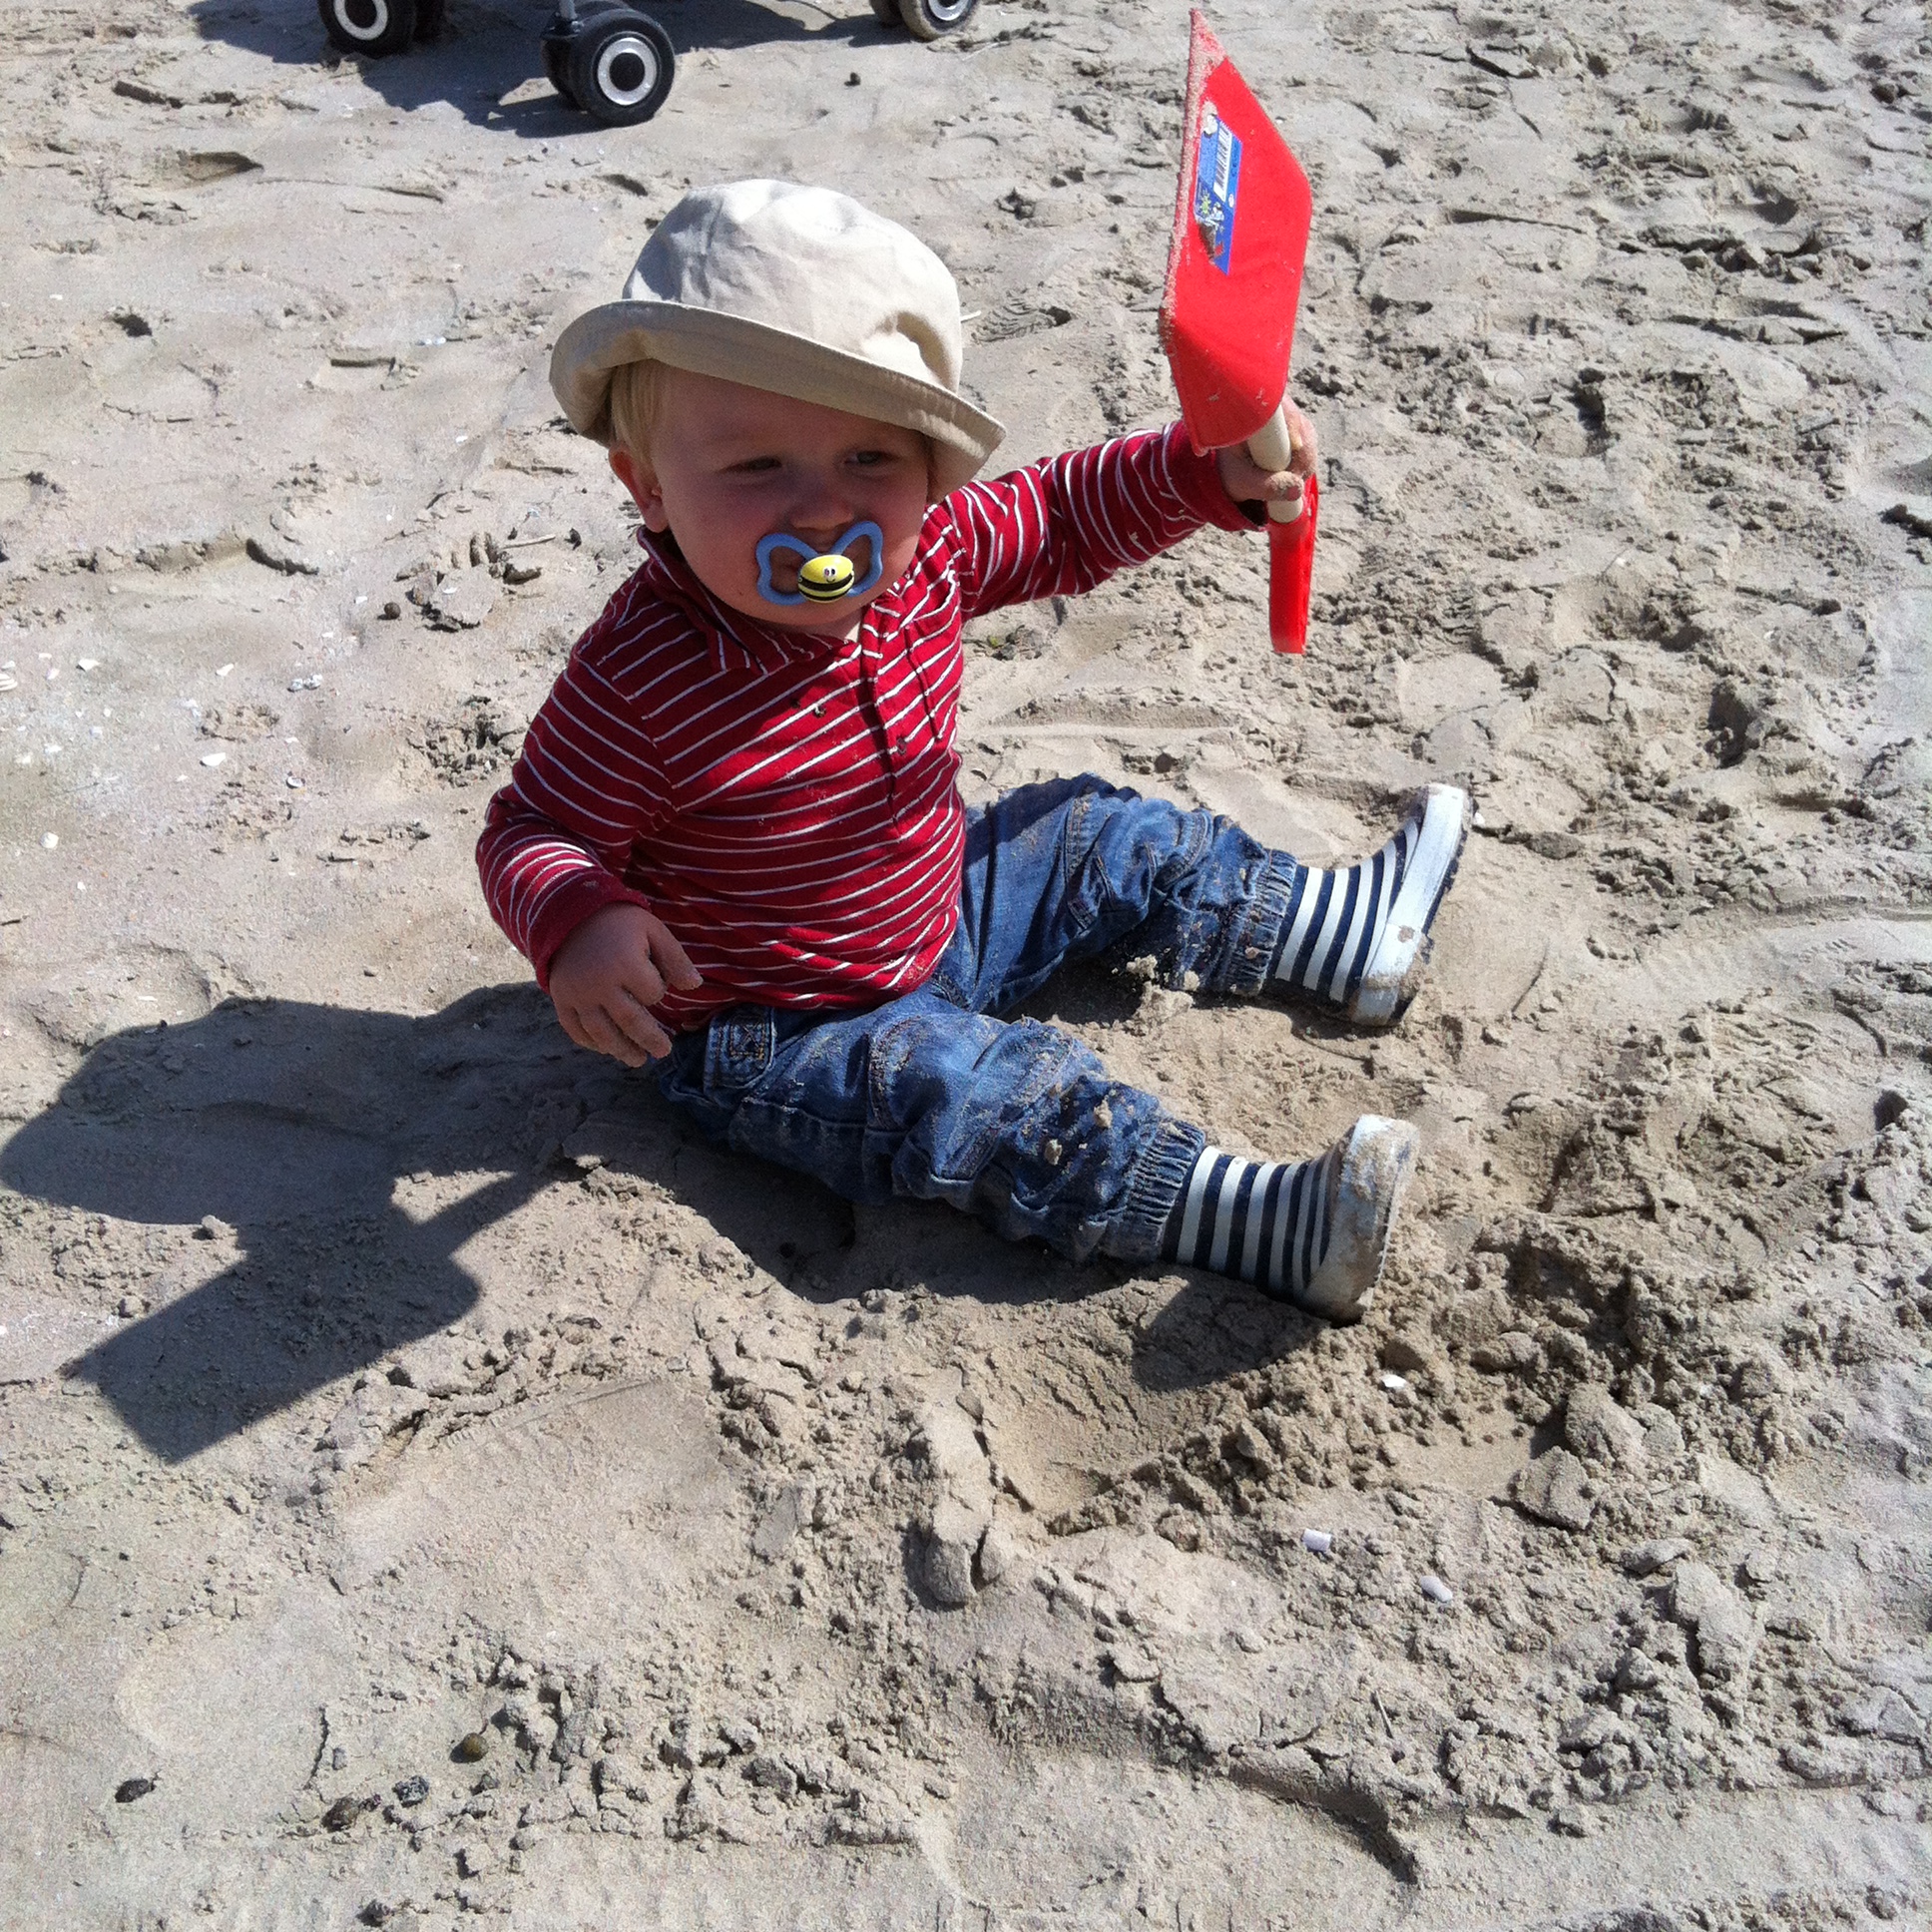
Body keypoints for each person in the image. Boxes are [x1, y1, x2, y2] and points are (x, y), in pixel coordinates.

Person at [477, 180, 1468, 1321]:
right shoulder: (643, 677)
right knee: (976, 1093)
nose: (820, 510)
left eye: (869, 460)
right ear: (648, 485)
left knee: (1094, 831)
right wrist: (576, 919)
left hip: (942, 912)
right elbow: (532, 826)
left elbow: (1062, 516)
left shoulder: (931, 552)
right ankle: (1244, 1212)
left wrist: (1206, 475)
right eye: (756, 468)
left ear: (929, 468)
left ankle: (1341, 937)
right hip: (779, 1030)